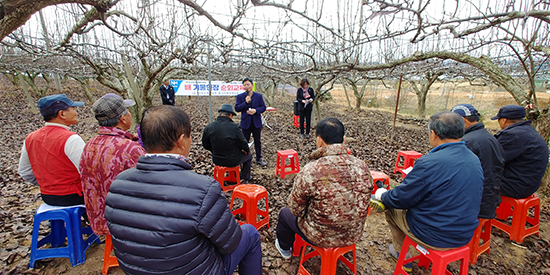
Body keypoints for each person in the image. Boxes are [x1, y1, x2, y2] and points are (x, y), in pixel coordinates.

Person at [104, 105, 262, 275]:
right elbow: (230, 242)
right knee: (250, 233)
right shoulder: (204, 189)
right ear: (180, 141)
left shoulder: (117, 184)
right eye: (189, 137)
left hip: (136, 270)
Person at [371, 112, 483, 272]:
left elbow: (401, 198)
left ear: (433, 134)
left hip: (434, 235)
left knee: (392, 209)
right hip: (464, 233)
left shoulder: (430, 162)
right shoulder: (473, 159)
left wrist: (382, 194)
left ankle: (403, 256)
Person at [275, 118, 373, 259]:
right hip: (353, 234)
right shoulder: (362, 166)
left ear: (319, 140)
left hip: (320, 236)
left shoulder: (311, 170)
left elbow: (295, 209)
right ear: (343, 140)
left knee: (285, 214)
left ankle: (284, 249)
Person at [79, 93, 146, 235]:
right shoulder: (130, 149)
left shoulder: (89, 145)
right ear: (122, 118)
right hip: (126, 222)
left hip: (98, 219)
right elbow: (148, 186)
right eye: (127, 111)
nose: (130, 114)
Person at [18, 94, 86, 206]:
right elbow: (87, 172)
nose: (76, 113)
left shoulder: (30, 138)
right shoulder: (71, 139)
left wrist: (49, 185)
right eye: (73, 109)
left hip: (47, 196)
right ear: (62, 114)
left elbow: (24, 171)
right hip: (75, 195)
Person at [451, 104, 505, 219]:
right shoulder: (488, 137)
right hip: (491, 196)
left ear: (462, 121)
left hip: (476, 203)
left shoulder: (468, 142)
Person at [491, 105, 549, 199]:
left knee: (472, 179)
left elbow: (493, 157)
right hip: (529, 183)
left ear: (504, 120)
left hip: (515, 186)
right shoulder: (528, 130)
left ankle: (481, 213)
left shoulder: (512, 135)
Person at [202, 104, 252, 183]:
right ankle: (246, 178)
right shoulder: (235, 127)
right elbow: (243, 144)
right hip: (233, 160)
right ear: (230, 115)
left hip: (217, 159)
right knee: (249, 155)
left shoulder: (209, 127)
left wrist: (215, 151)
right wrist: (246, 150)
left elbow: (205, 144)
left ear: (220, 114)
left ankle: (232, 175)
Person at [235, 78, 267, 166]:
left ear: (252, 85)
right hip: (246, 123)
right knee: (245, 142)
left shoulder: (258, 96)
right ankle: (245, 159)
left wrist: (255, 110)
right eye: (245, 85)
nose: (247, 86)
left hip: (256, 122)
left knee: (258, 141)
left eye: (248, 84)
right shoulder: (240, 96)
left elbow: (263, 107)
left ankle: (259, 158)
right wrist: (245, 102)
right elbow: (237, 108)